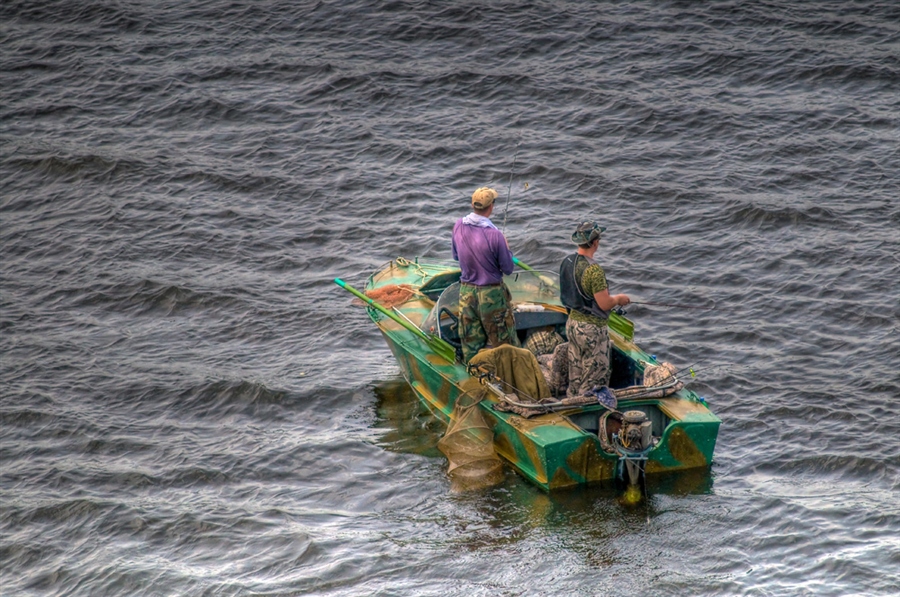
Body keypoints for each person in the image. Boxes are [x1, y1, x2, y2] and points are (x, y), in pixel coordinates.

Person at [559, 221, 630, 397]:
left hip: (573, 325)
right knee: (594, 379)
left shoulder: (567, 261)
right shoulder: (594, 270)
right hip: (592, 331)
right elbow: (604, 303)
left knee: (576, 374)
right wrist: (619, 299)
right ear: (595, 243)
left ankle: (571, 404)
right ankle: (587, 413)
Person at [451, 187, 519, 363]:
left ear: (472, 205)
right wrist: (507, 248)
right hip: (492, 296)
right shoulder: (495, 235)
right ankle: (506, 381)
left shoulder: (458, 225)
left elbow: (456, 256)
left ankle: (475, 378)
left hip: (466, 294)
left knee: (471, 343)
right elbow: (508, 268)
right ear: (491, 207)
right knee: (504, 343)